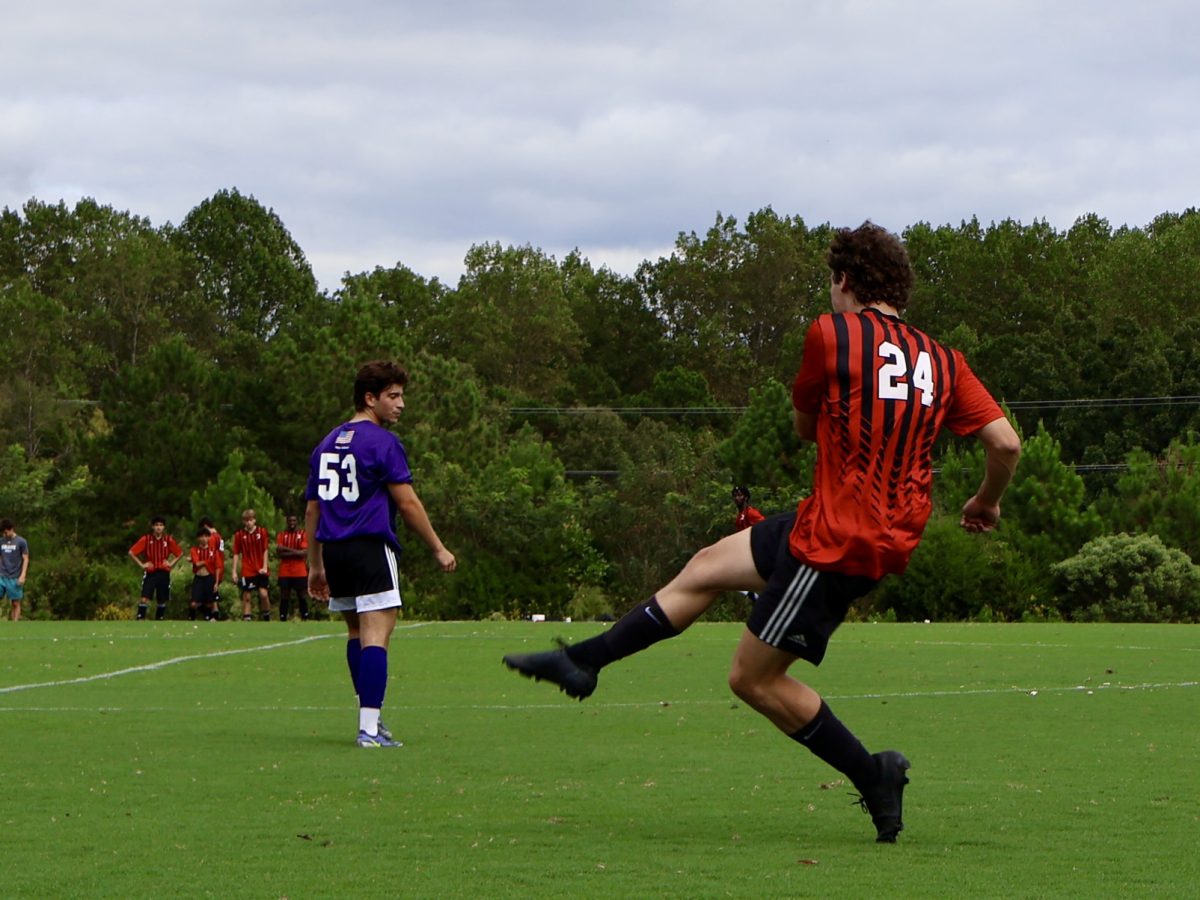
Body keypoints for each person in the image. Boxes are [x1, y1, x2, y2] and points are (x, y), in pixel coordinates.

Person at [503, 222, 1021, 843]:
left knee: (751, 679)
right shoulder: (943, 359)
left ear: (844, 279)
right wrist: (985, 502)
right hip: (847, 527)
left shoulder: (830, 335)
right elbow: (1006, 443)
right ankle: (582, 662)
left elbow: (805, 428)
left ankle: (872, 773)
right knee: (707, 566)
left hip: (835, 543)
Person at [306, 360, 457, 748]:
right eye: (393, 396)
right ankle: (369, 730)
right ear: (369, 398)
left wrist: (316, 565)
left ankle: (369, 719)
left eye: (401, 395)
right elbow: (407, 503)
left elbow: (313, 509)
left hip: (335, 551)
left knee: (357, 633)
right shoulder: (383, 443)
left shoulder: (326, 442)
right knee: (377, 635)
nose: (401, 404)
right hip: (370, 547)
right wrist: (438, 548)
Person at [128, 516, 182, 620]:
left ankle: (159, 619)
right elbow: (131, 552)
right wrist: (142, 564)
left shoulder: (168, 540)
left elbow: (179, 553)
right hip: (151, 572)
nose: (158, 527)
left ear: (164, 527)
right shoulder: (146, 539)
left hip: (163, 572)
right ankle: (140, 618)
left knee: (162, 599)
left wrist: (171, 563)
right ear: (153, 527)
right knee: (144, 598)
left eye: (161, 525)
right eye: (156, 525)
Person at [232, 509, 272, 621]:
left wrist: (264, 566)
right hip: (247, 569)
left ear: (254, 520)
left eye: (250, 520)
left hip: (260, 568)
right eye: (246, 521)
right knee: (247, 596)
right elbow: (236, 553)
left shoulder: (262, 532)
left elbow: (265, 550)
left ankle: (267, 616)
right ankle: (247, 618)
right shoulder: (239, 535)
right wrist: (234, 571)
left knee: (263, 594)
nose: (248, 523)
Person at [276, 514, 310, 622]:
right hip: (285, 570)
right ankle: (282, 617)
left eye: (294, 520)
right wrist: (296, 552)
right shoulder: (282, 535)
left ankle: (305, 616)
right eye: (290, 520)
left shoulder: (303, 534)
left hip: (299, 571)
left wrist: (286, 549)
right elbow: (280, 554)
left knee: (302, 595)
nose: (292, 523)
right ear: (287, 521)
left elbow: (303, 553)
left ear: (297, 522)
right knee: (284, 595)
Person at [188, 526, 220, 621]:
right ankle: (191, 617)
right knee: (194, 603)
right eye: (201, 536)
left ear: (209, 537)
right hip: (198, 577)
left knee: (210, 602)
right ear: (198, 538)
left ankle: (208, 617)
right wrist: (208, 561)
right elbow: (197, 563)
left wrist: (216, 582)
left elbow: (217, 567)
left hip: (209, 577)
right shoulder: (194, 550)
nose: (204, 539)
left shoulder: (214, 551)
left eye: (206, 536)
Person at [0, 519, 30, 621]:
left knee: (15, 602)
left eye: (6, 532)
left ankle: (15, 624)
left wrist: (23, 575)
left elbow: (25, 558)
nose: (4, 534)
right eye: (3, 532)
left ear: (11, 529)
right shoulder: (1, 541)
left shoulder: (21, 542)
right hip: (2, 575)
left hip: (14, 576)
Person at [199, 517, 226, 613]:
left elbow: (210, 554)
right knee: (212, 593)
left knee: (210, 595)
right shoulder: (219, 536)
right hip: (220, 566)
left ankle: (212, 615)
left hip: (212, 569)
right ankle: (213, 614)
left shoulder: (211, 538)